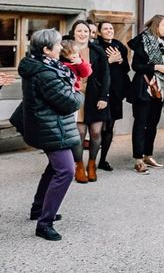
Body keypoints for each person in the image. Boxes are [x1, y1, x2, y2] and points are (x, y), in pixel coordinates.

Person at [18, 29, 83, 241]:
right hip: (51, 127)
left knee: (55, 167)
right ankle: (44, 223)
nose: (60, 48)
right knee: (65, 171)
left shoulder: (39, 65)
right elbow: (70, 102)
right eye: (57, 45)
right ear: (46, 50)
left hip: (47, 126)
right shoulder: (46, 73)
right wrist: (78, 92)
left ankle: (38, 208)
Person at [127, 14, 164, 174]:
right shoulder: (142, 41)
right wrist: (155, 67)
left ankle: (148, 155)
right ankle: (138, 159)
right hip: (143, 88)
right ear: (157, 26)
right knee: (141, 123)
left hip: (159, 88)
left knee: (153, 124)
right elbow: (136, 66)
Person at [68, 20, 110, 183]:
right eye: (79, 31)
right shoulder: (66, 50)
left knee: (96, 132)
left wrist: (104, 97)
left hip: (95, 96)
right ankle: (78, 165)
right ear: (73, 33)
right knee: (79, 134)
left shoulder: (97, 50)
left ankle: (91, 164)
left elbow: (106, 75)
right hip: (76, 96)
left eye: (86, 31)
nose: (83, 34)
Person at [95, 22, 131, 171]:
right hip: (100, 92)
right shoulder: (96, 46)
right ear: (99, 32)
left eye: (111, 28)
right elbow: (94, 70)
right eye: (105, 29)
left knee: (109, 127)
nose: (109, 31)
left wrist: (120, 60)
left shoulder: (119, 46)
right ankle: (91, 160)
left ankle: (103, 160)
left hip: (116, 92)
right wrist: (109, 61)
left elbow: (126, 69)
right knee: (96, 129)